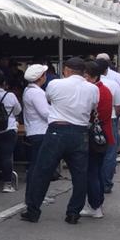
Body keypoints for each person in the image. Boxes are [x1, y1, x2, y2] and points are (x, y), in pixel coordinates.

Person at [20, 57, 98, 225]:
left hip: (57, 130)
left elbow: (50, 99)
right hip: (80, 132)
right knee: (79, 175)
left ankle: (33, 210)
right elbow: (92, 107)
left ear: (67, 70)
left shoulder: (55, 84)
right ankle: (73, 213)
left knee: (43, 171)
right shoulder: (92, 89)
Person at [84, 61, 116, 218]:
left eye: (86, 76)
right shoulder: (106, 90)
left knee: (92, 171)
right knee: (98, 171)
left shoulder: (93, 91)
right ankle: (97, 204)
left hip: (94, 136)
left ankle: (95, 205)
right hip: (105, 134)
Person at [95, 54, 120, 196]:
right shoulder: (113, 83)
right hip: (111, 119)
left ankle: (94, 182)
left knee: (94, 151)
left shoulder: (89, 83)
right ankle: (106, 183)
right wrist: (115, 115)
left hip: (92, 120)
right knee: (110, 152)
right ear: (107, 69)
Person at [22, 64, 50, 171]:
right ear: (40, 78)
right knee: (38, 164)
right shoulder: (36, 92)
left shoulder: (28, 90)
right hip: (40, 131)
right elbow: (45, 113)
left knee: (35, 163)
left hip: (33, 130)